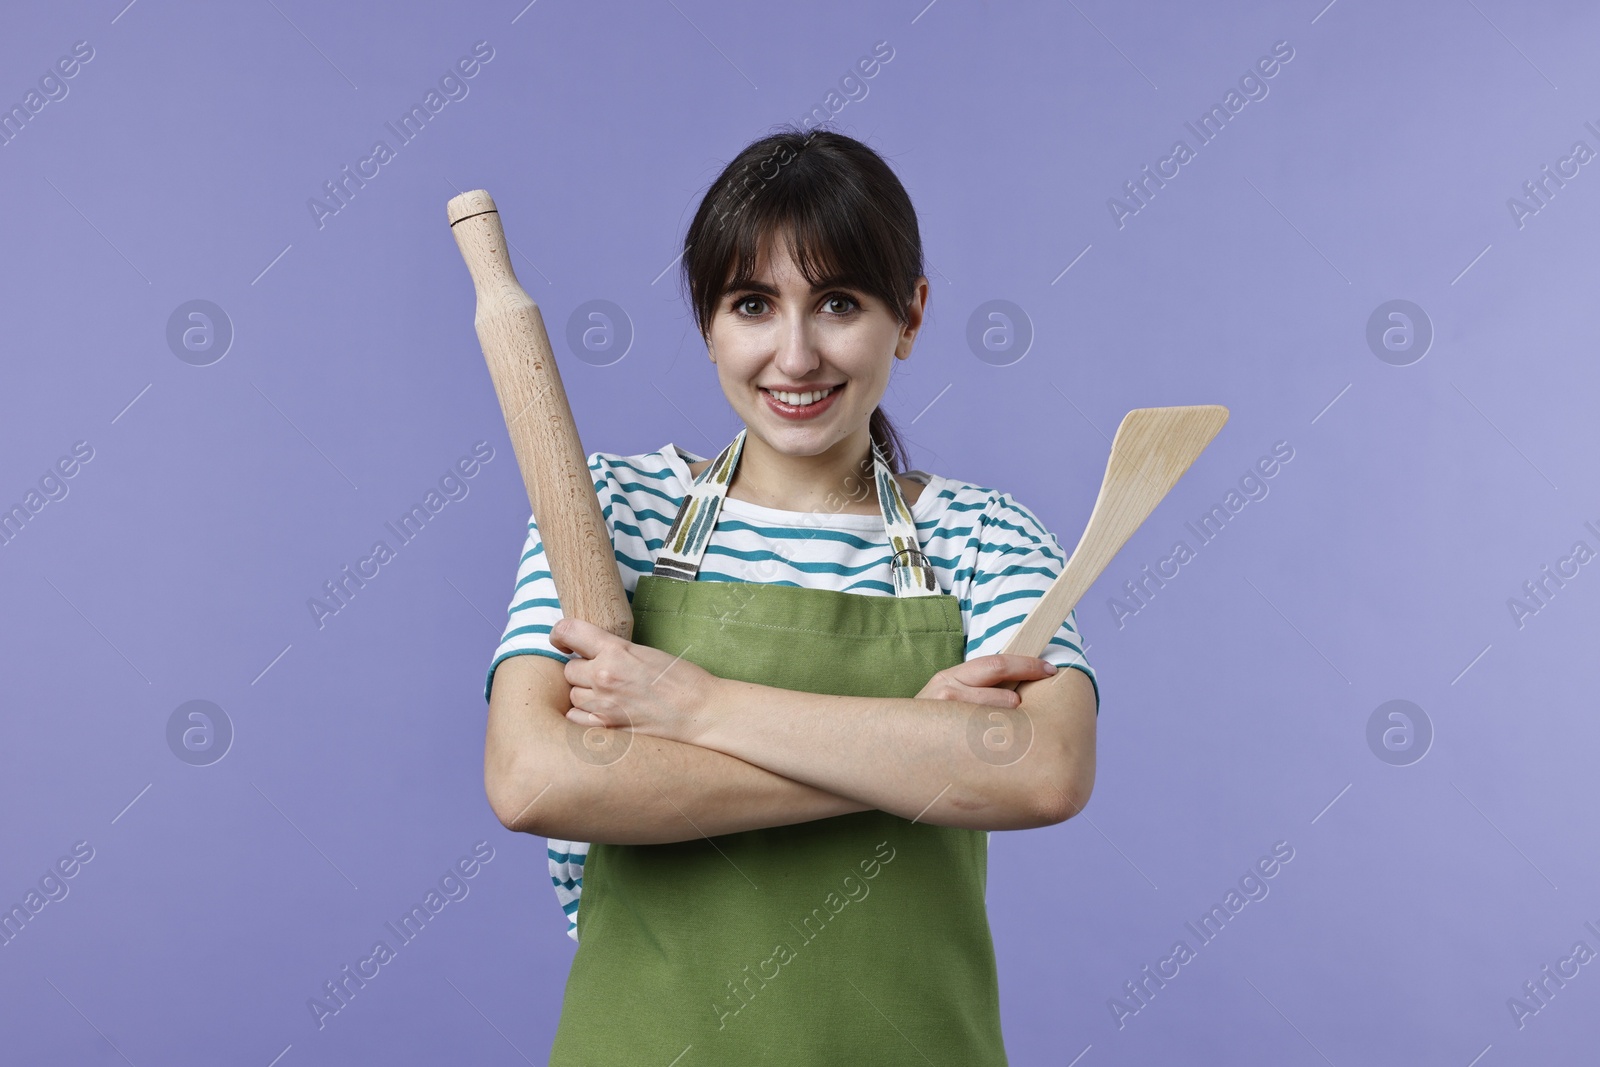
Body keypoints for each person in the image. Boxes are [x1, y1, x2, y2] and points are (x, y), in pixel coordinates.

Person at [481, 127, 1098, 1065]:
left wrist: (700, 706)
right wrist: (907, 757)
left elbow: (1044, 767)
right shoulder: (609, 512)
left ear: (912, 314)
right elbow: (535, 779)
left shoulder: (985, 535)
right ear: (708, 323)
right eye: (754, 304)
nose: (796, 355)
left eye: (840, 302)